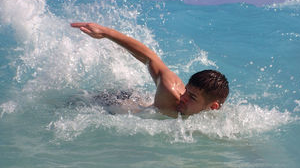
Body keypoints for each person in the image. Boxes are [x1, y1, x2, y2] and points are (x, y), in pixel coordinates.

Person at [71, 22, 229, 118]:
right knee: (72, 103)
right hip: (119, 103)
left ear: (213, 107)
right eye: (187, 91)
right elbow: (150, 58)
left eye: (192, 97)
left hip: (143, 99)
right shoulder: (170, 91)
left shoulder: (215, 117)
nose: (183, 97)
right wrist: (105, 33)